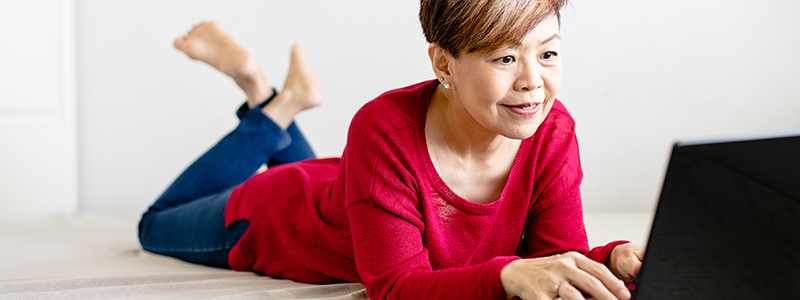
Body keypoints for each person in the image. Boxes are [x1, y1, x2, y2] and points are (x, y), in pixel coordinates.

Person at [138, 0, 645, 299]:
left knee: (345, 191)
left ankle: (274, 98)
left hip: (352, 187)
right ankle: (269, 101)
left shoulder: (551, 131)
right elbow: (396, 286)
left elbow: (555, 257)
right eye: (505, 57)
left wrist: (611, 259)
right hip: (279, 216)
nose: (533, 83)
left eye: (549, 52)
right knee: (154, 224)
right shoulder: (381, 133)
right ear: (443, 64)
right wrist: (505, 275)